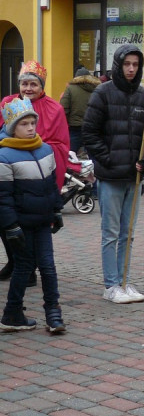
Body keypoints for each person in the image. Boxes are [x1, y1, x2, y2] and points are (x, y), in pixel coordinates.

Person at [81, 44, 144, 305]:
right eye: (127, 64)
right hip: (111, 177)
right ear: (118, 64)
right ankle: (111, 284)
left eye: (136, 65)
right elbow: (90, 133)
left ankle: (125, 281)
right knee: (111, 233)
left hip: (134, 178)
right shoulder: (102, 93)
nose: (131, 69)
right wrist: (108, 160)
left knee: (128, 233)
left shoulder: (143, 96)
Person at [0, 61, 72, 283]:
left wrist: (40, 150)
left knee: (30, 224)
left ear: (42, 86)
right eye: (24, 84)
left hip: (37, 174)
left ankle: (28, 268)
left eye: (33, 84)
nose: (28, 89)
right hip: (10, 171)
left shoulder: (55, 108)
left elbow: (62, 144)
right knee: (6, 220)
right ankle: (14, 261)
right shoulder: (8, 103)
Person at [0, 99, 65, 333]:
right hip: (21, 224)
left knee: (48, 266)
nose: (30, 128)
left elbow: (51, 185)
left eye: (32, 123)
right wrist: (10, 226)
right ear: (11, 127)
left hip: (42, 222)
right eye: (24, 124)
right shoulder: (4, 156)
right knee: (24, 266)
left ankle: (53, 312)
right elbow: (3, 198)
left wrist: (56, 209)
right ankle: (12, 313)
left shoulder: (45, 150)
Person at [60, 66, 101, 155]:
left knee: (71, 156)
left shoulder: (70, 89)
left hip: (75, 128)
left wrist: (63, 127)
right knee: (92, 156)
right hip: (93, 128)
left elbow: (63, 109)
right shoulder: (98, 88)